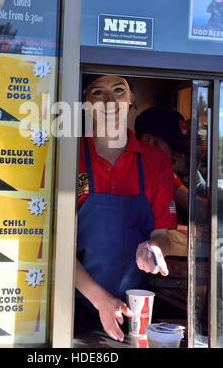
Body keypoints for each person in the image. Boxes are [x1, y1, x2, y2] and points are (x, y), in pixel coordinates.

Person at [75, 74, 176, 342]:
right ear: (85, 104)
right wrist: (101, 300)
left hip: (133, 313)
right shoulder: (69, 155)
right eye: (97, 92)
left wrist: (154, 248)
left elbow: (162, 236)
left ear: (130, 100)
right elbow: (55, 244)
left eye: (119, 90)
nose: (109, 100)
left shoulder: (155, 161)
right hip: (68, 308)